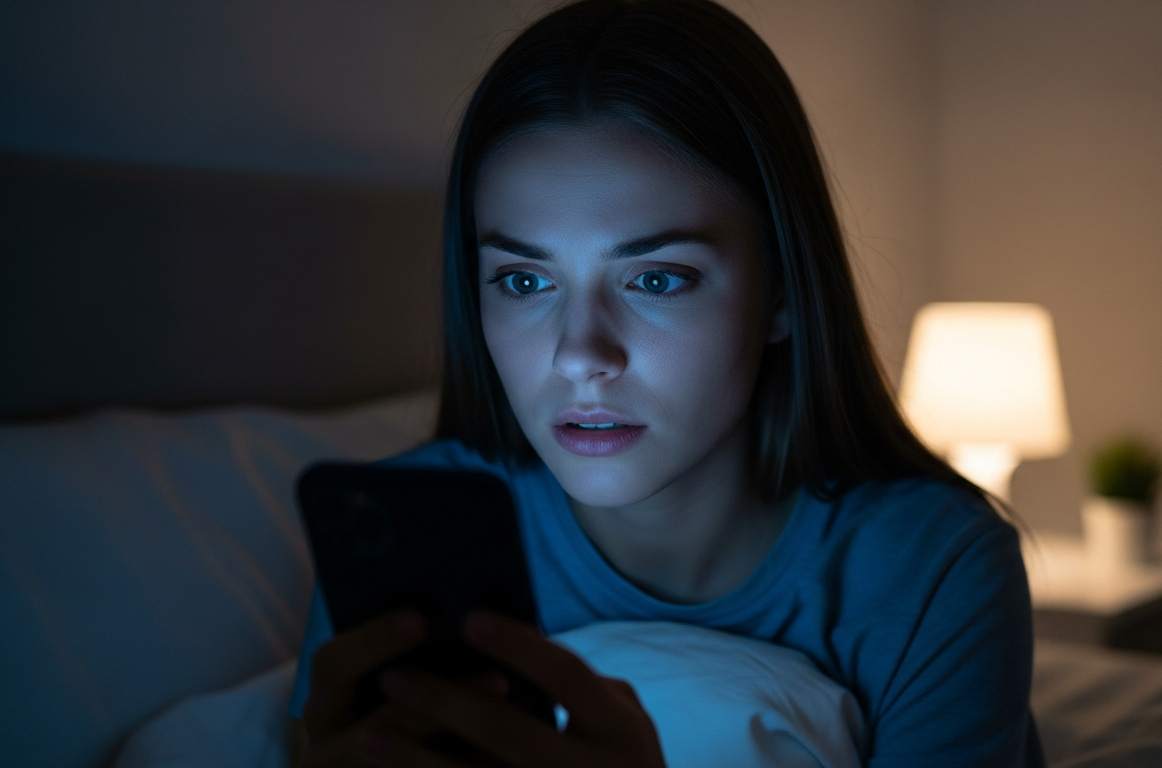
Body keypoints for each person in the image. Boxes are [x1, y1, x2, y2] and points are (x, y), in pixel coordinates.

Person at [288, 1, 1043, 765]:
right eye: (522, 281)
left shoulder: (930, 565)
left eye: (656, 278)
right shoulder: (398, 541)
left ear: (781, 292)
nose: (580, 355)